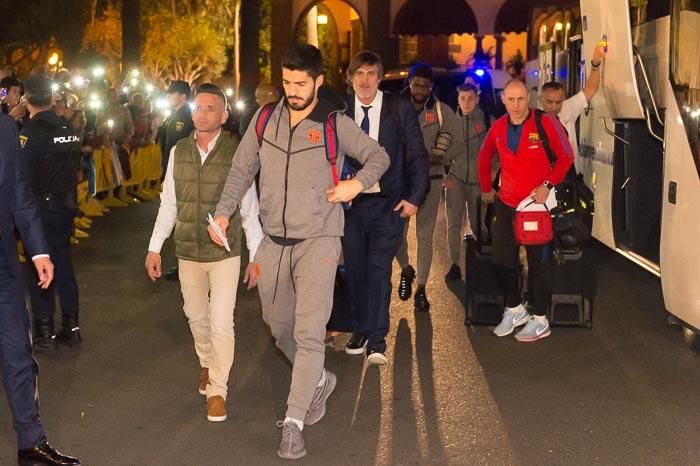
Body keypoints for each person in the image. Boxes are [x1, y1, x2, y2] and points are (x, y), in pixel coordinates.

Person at [208, 44, 389, 460]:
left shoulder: (333, 123)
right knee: (278, 327)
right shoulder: (265, 118)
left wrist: (355, 184)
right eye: (287, 83)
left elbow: (378, 156)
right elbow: (241, 168)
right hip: (273, 242)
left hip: (319, 241)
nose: (292, 91)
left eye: (300, 84)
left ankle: (294, 422)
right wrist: (222, 213)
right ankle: (319, 380)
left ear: (319, 82)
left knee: (309, 332)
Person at [145, 83, 263, 422]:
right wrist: (155, 247)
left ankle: (218, 390)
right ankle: (207, 362)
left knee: (221, 322)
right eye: (198, 107)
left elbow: (249, 210)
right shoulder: (178, 151)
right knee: (195, 316)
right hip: (187, 251)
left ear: (224, 116)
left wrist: (256, 257)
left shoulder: (237, 154)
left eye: (211, 108)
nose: (202, 113)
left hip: (225, 254)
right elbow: (169, 204)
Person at [1, 111, 81, 465]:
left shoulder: (4, 128)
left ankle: (31, 445)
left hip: (3, 268)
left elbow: (20, 193)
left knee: (19, 355)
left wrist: (39, 251)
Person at [341, 51, 429, 365]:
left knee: (378, 271)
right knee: (355, 270)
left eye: (370, 73)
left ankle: (377, 339)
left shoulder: (399, 108)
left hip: (388, 205)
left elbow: (418, 156)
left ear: (379, 77)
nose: (364, 80)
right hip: (351, 207)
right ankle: (361, 329)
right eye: (359, 74)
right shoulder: (340, 111)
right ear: (350, 79)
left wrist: (415, 197)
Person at [478, 79, 574, 342]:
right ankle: (514, 309)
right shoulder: (498, 127)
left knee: (539, 265)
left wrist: (547, 185)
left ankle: (541, 319)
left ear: (529, 100)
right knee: (501, 260)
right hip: (507, 205)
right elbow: (484, 156)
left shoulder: (545, 123)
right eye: (511, 99)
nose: (516, 105)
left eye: (521, 99)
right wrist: (487, 187)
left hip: (537, 208)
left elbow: (567, 157)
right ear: (503, 100)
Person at [19, 76, 83, 352]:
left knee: (39, 267)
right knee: (64, 263)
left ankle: (44, 331)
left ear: (27, 98)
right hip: (66, 205)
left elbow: (23, 176)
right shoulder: (66, 127)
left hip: (40, 208)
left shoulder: (30, 132)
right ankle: (71, 326)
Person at [395, 63, 464, 312]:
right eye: (417, 84)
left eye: (426, 85)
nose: (421, 89)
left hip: (431, 179)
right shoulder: (395, 107)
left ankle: (421, 290)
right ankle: (406, 268)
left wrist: (438, 157)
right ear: (410, 81)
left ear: (431, 86)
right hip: (400, 181)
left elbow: (456, 141)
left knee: (425, 236)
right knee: (396, 234)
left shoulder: (441, 111)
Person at [444, 83, 496, 280]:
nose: (466, 102)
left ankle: (485, 260)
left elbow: (497, 151)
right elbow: (440, 150)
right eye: (463, 98)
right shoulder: (449, 123)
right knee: (453, 223)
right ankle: (455, 265)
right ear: (457, 99)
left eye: (470, 98)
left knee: (478, 224)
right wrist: (443, 171)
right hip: (455, 180)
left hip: (478, 182)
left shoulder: (487, 121)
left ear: (477, 99)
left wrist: (492, 174)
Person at [539, 43, 607, 173]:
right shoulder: (532, 120)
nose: (554, 107)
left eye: (558, 102)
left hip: (569, 177)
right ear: (541, 100)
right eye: (549, 102)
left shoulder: (567, 108)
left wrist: (595, 64)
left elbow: (591, 89)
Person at [157, 80, 195, 281]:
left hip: (181, 174)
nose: (169, 97)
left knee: (183, 222)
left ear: (182, 96)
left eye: (172, 94)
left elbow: (179, 147)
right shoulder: (175, 115)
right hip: (173, 173)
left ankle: (187, 266)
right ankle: (183, 264)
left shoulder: (185, 117)